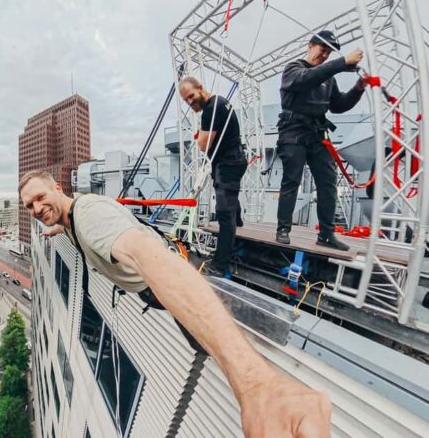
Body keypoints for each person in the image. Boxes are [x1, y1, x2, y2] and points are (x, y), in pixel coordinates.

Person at [19, 170, 331, 437]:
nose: (36, 207)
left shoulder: (90, 217)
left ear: (58, 187)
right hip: (155, 288)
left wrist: (255, 384)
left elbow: (150, 259)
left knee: (204, 337)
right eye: (29, 205)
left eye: (40, 197)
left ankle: (260, 382)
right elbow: (74, 222)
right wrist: (58, 228)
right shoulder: (73, 217)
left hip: (164, 284)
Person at [276, 30, 367, 250]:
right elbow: (307, 79)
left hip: (317, 134)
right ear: (310, 45)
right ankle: (283, 228)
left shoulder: (328, 78)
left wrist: (358, 88)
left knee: (328, 183)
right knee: (292, 180)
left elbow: (338, 106)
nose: (325, 55)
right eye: (322, 49)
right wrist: (343, 62)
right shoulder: (293, 69)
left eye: (328, 52)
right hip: (293, 132)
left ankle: (326, 234)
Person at [178, 76, 247, 277]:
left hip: (228, 162)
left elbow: (202, 145)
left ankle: (220, 264)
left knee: (225, 214)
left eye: (191, 96)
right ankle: (239, 221)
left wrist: (200, 134)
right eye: (186, 101)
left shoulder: (210, 109)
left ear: (201, 87)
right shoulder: (221, 102)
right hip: (233, 159)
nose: (190, 102)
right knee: (230, 199)